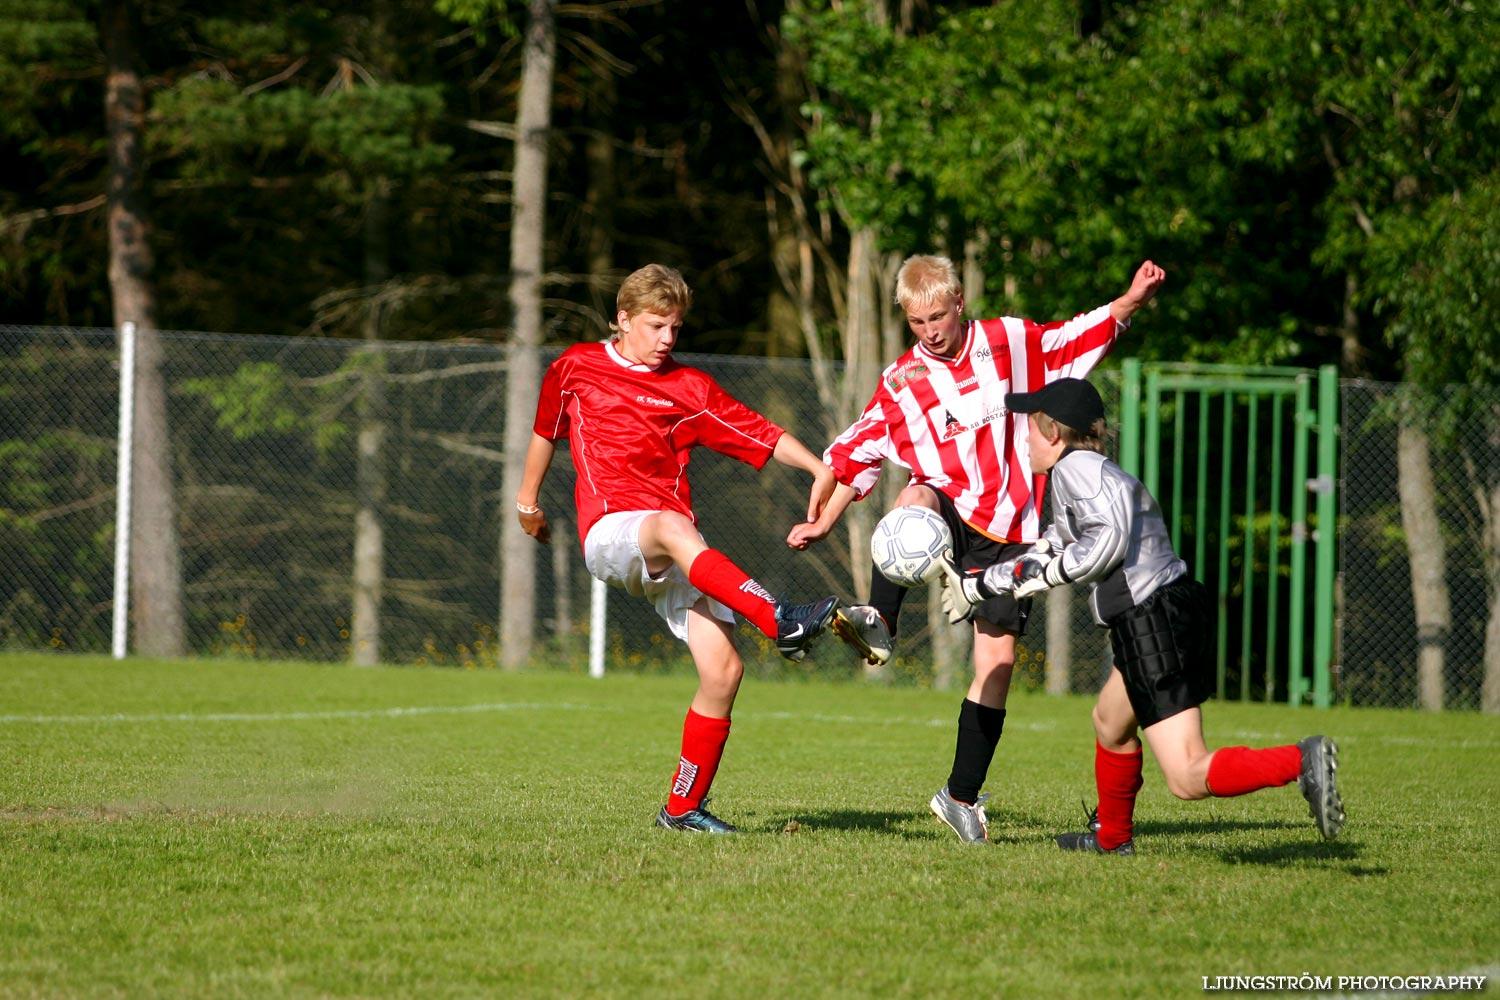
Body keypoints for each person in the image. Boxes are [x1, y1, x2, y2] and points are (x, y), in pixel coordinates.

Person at [788, 254, 1167, 844]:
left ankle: (959, 797)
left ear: (959, 303)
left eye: (938, 316)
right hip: (951, 510)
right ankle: (879, 620)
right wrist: (825, 518)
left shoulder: (1010, 340)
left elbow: (1071, 341)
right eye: (916, 323)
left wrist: (1130, 302)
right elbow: (854, 451)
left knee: (997, 666)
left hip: (1014, 529)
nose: (930, 331)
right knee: (915, 491)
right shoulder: (903, 381)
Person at [941, 377, 1345, 853]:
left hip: (1152, 620)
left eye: (1029, 426)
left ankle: (1300, 761)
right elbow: (1054, 543)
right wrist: (981, 583)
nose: (1024, 437)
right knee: (1110, 724)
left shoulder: (1076, 471)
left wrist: (1036, 578)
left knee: (1187, 775)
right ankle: (1112, 839)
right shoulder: (1086, 470)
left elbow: (1100, 547)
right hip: (1166, 610)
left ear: (1052, 431)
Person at [516, 263, 841, 835]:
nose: (668, 339)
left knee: (723, 671)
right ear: (622, 320)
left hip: (674, 539)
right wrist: (528, 503)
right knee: (671, 526)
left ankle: (683, 809)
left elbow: (759, 432)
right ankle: (779, 617)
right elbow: (547, 430)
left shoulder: (689, 389)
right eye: (656, 325)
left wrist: (818, 465)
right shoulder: (576, 367)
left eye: (676, 328)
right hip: (612, 532)